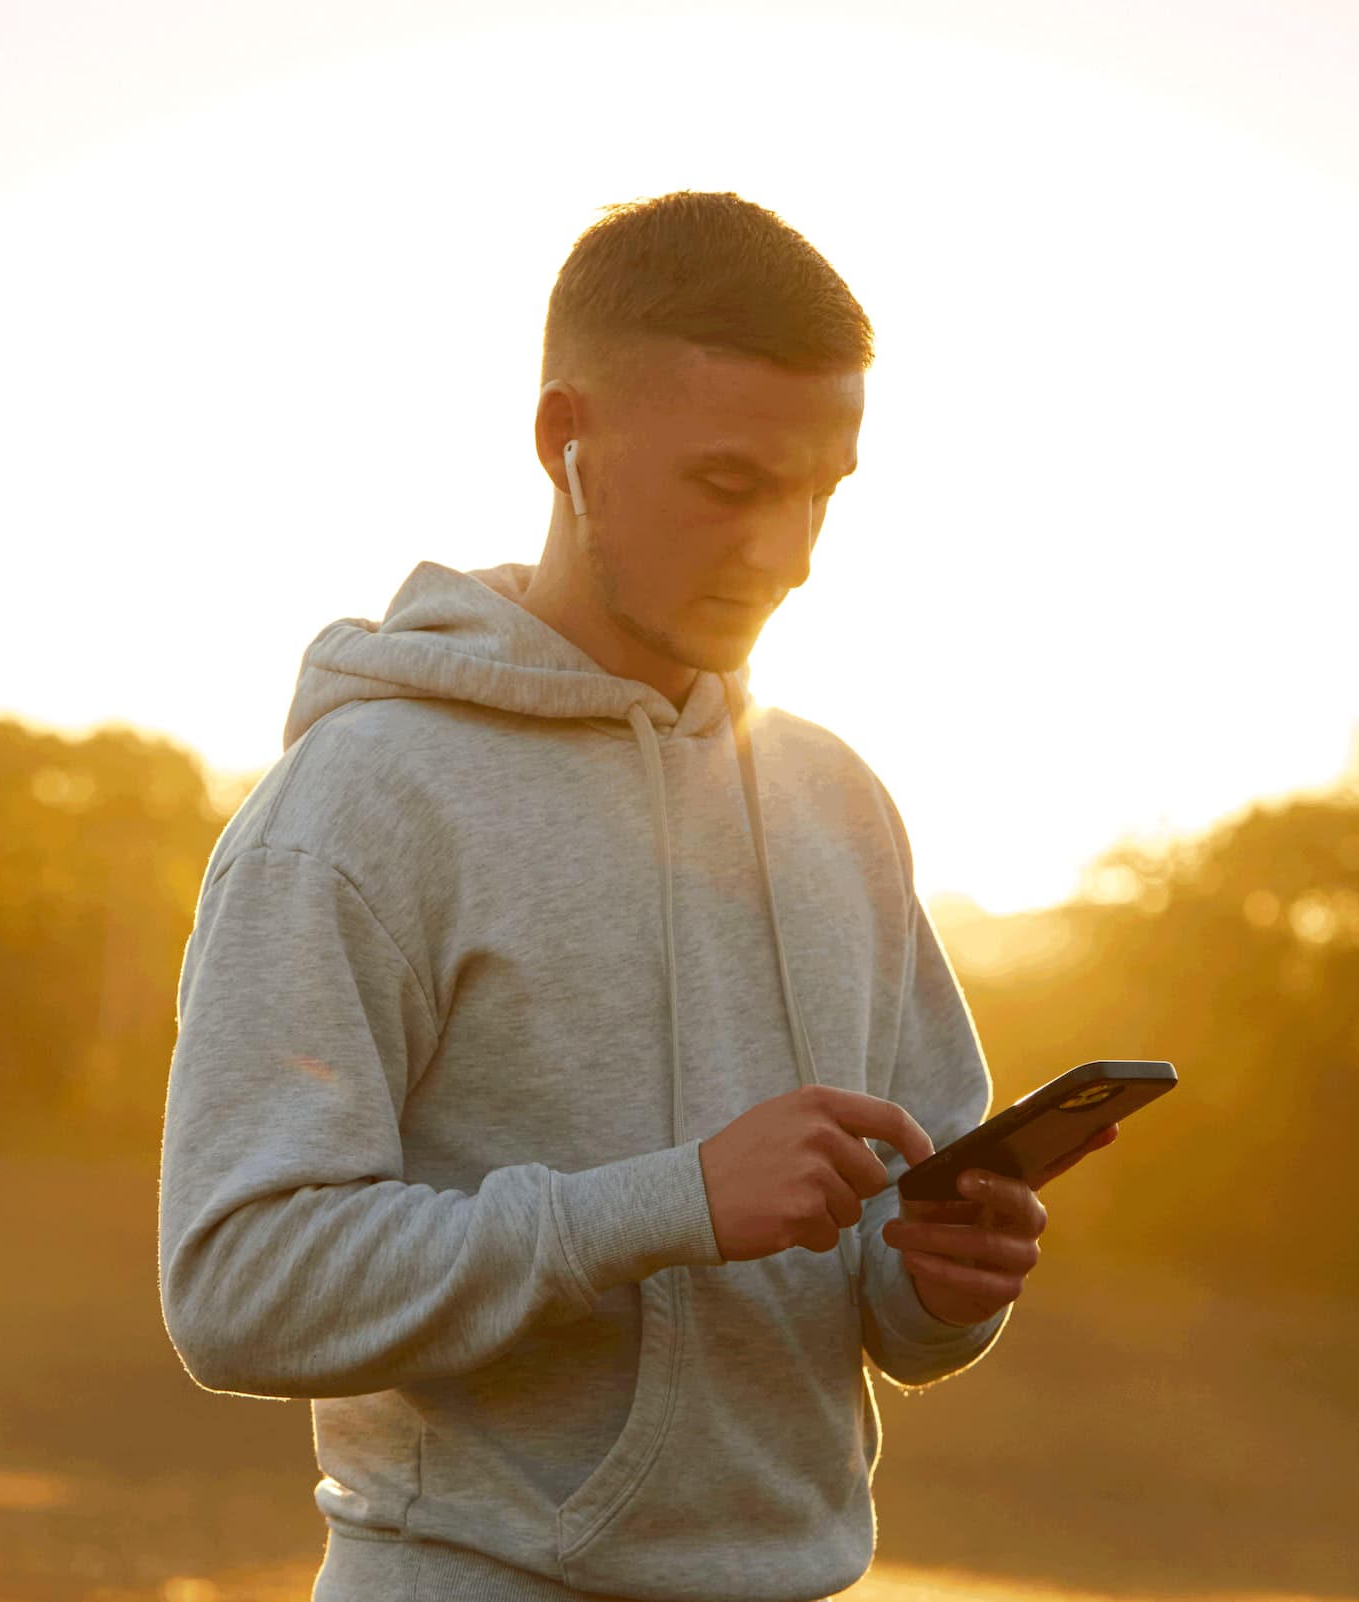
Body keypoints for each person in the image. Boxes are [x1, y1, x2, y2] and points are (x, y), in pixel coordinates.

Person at [157, 189, 1118, 1602]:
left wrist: (940, 1285)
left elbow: (886, 1297)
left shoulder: (835, 799)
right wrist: (665, 1204)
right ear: (567, 442)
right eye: (730, 486)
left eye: (824, 491)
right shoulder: (366, 801)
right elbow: (236, 1284)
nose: (788, 551)